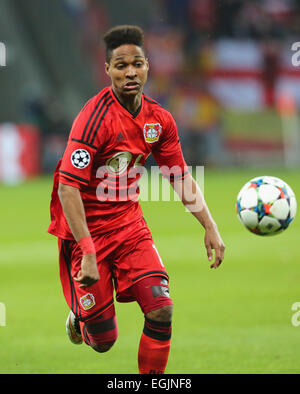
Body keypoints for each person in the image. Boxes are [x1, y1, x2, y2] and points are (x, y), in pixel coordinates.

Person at [48, 25, 225, 374]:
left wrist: (210, 225)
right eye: (121, 65)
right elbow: (67, 188)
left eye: (138, 63)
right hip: (86, 235)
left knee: (161, 309)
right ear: (108, 70)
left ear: (148, 66)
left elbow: (179, 175)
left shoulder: (159, 120)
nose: (130, 72)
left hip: (130, 229)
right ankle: (80, 318)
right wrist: (86, 249)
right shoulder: (93, 119)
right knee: (104, 341)